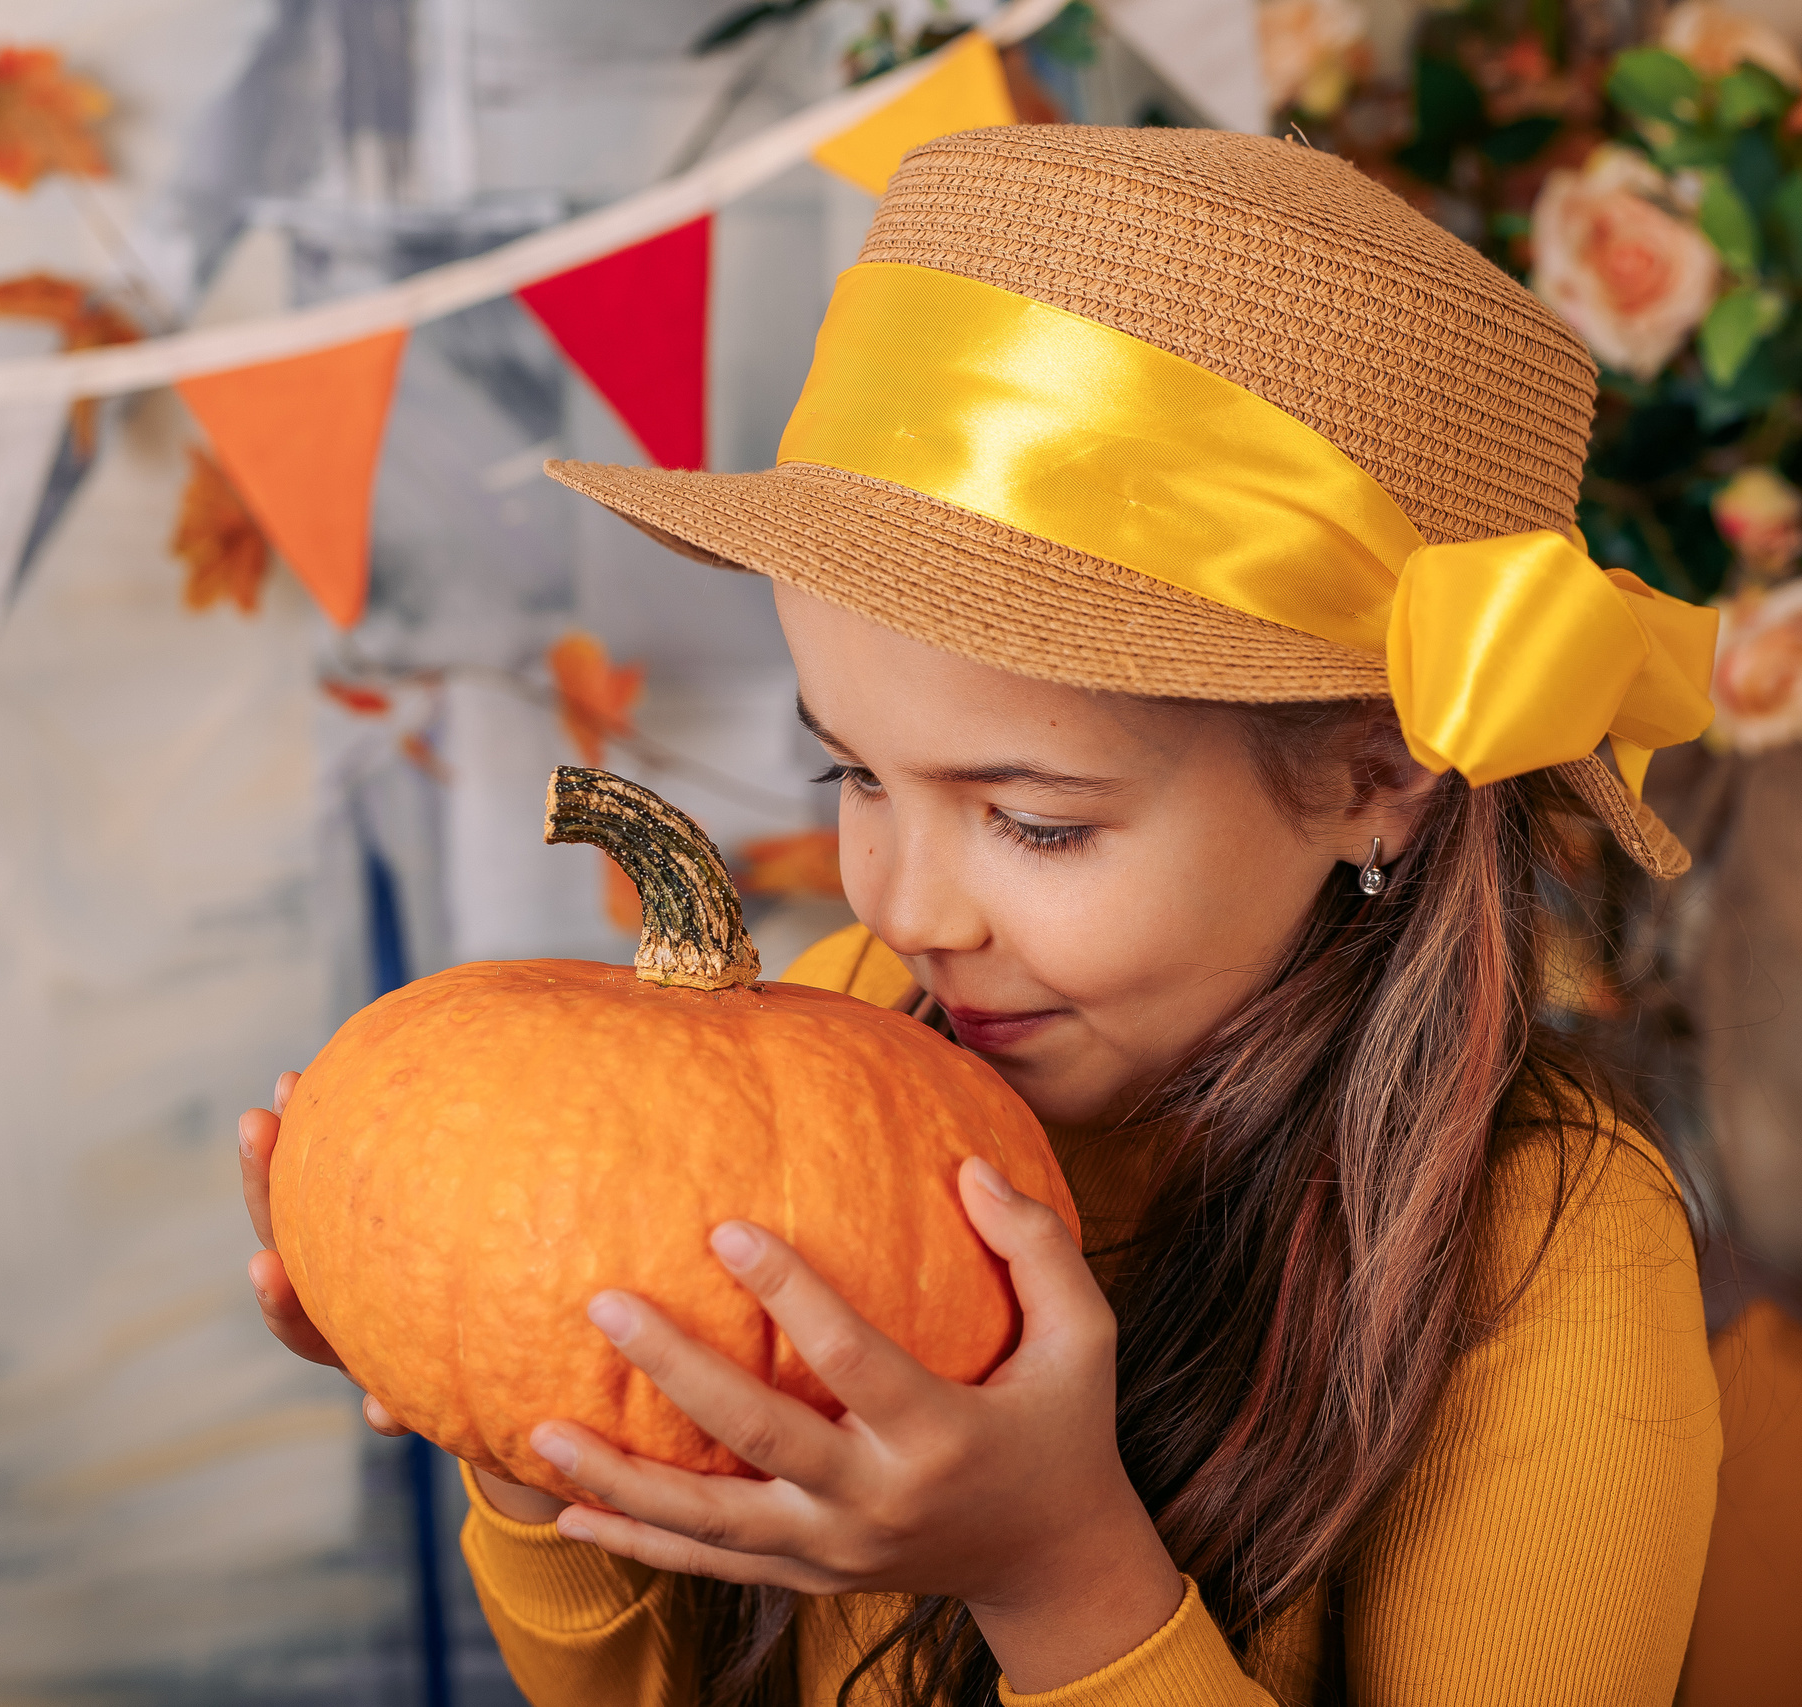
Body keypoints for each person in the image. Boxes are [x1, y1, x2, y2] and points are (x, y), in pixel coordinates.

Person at [239, 124, 1723, 1705]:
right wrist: (526, 1409)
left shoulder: (1547, 1249)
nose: (905, 902)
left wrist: (1055, 1573)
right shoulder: (853, 1008)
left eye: (1031, 820)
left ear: (1382, 775)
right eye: (853, 773)